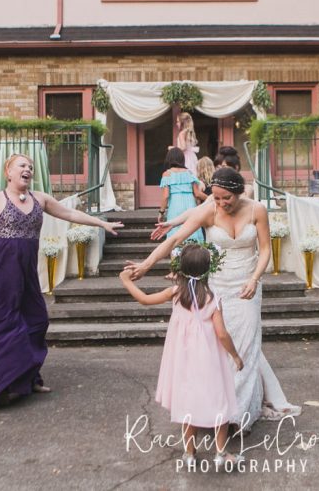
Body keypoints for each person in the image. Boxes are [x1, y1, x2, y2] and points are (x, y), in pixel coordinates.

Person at [0, 153, 123, 411]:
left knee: (36, 321)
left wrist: (100, 223)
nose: (28, 169)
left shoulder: (40, 199)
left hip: (25, 274)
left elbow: (69, 213)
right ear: (8, 172)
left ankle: (27, 379)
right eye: (22, 165)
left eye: (30, 167)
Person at [129, 168, 300, 430]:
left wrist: (254, 279)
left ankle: (239, 414)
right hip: (218, 287)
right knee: (218, 347)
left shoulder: (257, 210)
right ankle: (218, 408)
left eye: (226, 198)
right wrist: (146, 264)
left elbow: (265, 250)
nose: (221, 203)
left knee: (245, 347)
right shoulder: (209, 211)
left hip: (248, 285)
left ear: (239, 192)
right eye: (216, 198)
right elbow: (175, 239)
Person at [119, 243, 244, 467]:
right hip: (209, 360)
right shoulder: (213, 299)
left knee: (188, 401)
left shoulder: (175, 293)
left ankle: (189, 454)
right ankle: (220, 453)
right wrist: (235, 355)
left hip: (183, 360)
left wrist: (126, 281)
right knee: (219, 401)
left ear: (180, 269)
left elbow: (145, 300)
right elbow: (222, 334)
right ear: (209, 269)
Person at [160, 147, 207, 242]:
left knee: (175, 234)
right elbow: (197, 194)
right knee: (192, 230)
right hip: (190, 205)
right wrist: (211, 198)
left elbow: (166, 196)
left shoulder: (167, 174)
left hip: (175, 206)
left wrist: (161, 212)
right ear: (182, 159)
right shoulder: (189, 173)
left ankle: (176, 251)